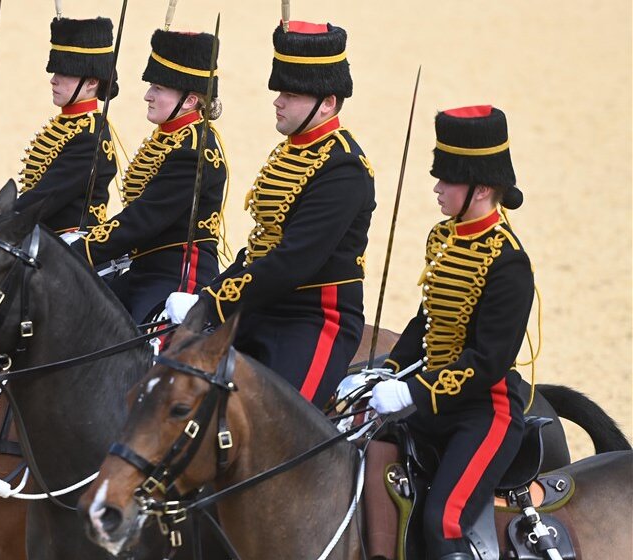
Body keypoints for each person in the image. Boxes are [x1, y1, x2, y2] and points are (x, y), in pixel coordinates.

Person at [166, 21, 375, 408]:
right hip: (262, 304)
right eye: (281, 92)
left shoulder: (344, 169)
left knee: (276, 429)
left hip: (313, 319)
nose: (277, 101)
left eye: (290, 94)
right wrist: (207, 296)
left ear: (326, 102)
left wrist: (211, 302)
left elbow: (293, 261)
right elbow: (259, 249)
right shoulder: (290, 153)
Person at [369, 105, 531, 560]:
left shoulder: (509, 262)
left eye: (449, 181)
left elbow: (488, 361)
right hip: (431, 399)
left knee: (444, 520)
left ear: (481, 189)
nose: (438, 188)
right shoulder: (443, 238)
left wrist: (413, 394)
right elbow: (427, 322)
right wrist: (385, 373)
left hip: (483, 412)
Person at [79, 27, 227, 324]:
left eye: (158, 88)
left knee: (139, 346)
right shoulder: (168, 139)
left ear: (188, 100)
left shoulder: (194, 150)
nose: (147, 95)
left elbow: (143, 219)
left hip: (178, 273)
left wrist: (76, 252)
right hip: (143, 269)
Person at [14, 15, 119, 233]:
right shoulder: (69, 124)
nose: (53, 79)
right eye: (55, 72)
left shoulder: (90, 136)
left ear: (92, 82)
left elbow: (45, 197)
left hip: (70, 244)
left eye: (64, 73)